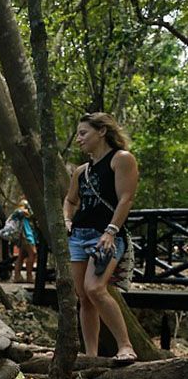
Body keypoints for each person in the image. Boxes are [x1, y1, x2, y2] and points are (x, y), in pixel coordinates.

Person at [63, 111, 139, 362]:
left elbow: (126, 198)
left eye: (83, 133)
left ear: (102, 131)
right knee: (84, 298)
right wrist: (67, 220)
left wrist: (111, 231)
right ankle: (91, 356)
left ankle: (125, 346)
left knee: (95, 288)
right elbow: (70, 200)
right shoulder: (81, 171)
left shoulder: (121, 159)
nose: (79, 139)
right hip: (78, 236)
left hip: (106, 235)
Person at [9, 200, 38, 284]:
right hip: (26, 236)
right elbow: (17, 213)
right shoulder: (24, 208)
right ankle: (29, 276)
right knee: (33, 253)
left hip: (29, 236)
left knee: (21, 256)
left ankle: (17, 276)